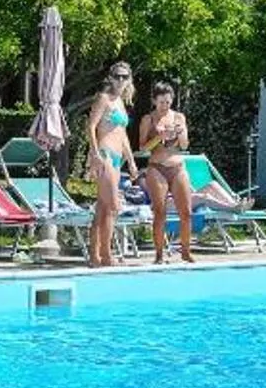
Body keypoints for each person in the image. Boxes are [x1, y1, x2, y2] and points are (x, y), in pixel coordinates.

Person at [136, 81, 199, 265]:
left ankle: (186, 251)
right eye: (162, 102)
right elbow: (142, 148)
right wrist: (158, 137)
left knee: (186, 212)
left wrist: (179, 133)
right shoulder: (148, 119)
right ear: (154, 100)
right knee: (160, 212)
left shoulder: (179, 117)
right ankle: (159, 254)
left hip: (177, 166)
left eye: (168, 102)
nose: (165, 105)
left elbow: (185, 145)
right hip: (157, 167)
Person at [84, 63, 136, 268]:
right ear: (110, 78)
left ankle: (94, 255)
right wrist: (95, 154)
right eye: (117, 76)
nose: (121, 81)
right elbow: (91, 126)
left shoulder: (121, 103)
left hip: (116, 158)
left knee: (103, 209)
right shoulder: (103, 98)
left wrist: (131, 161)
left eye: (125, 77)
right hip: (104, 155)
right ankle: (106, 254)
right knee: (114, 206)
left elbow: (122, 135)